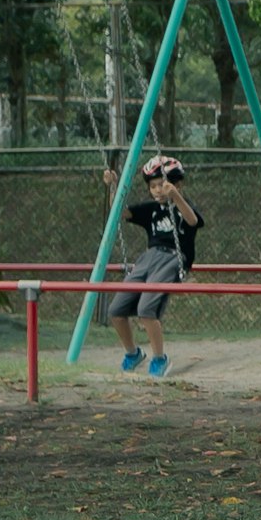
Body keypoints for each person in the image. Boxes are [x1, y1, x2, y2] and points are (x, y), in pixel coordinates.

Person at [103, 156, 202, 375]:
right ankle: (133, 353)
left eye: (162, 185)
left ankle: (159, 359)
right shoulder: (151, 209)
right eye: (153, 187)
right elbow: (122, 211)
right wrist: (114, 187)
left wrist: (175, 196)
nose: (157, 191)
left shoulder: (183, 207)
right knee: (116, 310)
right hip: (148, 258)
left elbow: (193, 221)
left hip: (173, 257)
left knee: (146, 309)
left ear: (176, 185)